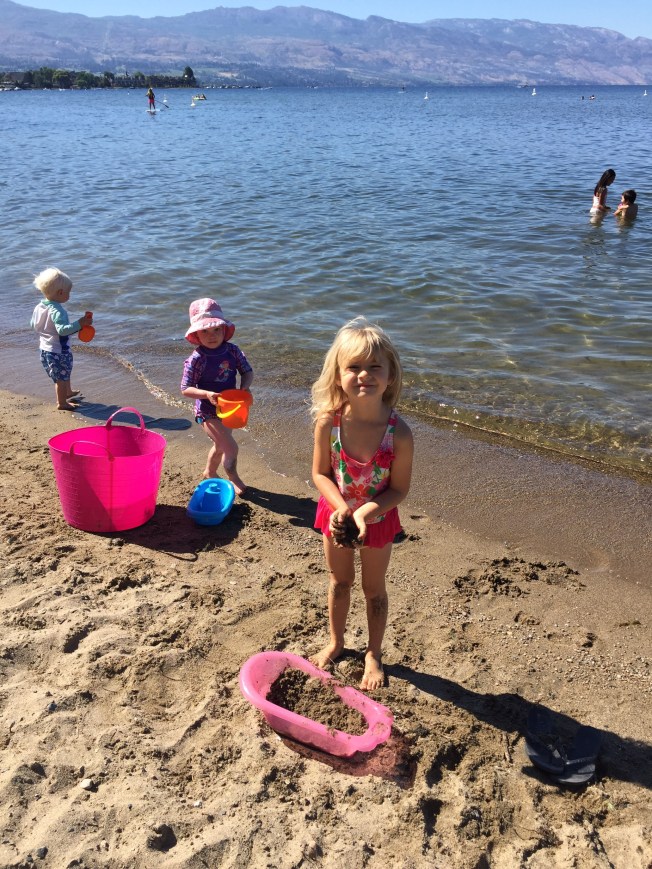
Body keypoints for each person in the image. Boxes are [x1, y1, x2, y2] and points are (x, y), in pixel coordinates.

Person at [310, 317, 414, 690]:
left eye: (374, 367)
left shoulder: (398, 433)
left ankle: (373, 653)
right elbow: (320, 474)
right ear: (338, 376)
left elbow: (398, 490)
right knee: (340, 582)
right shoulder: (329, 423)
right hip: (336, 516)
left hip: (378, 520)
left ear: (390, 375)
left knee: (374, 588)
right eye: (353, 367)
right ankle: (336, 641)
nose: (364, 375)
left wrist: (367, 512)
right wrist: (342, 508)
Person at [180, 298, 253, 495]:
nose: (211, 335)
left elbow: (247, 371)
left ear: (224, 329)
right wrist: (207, 394)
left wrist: (245, 387)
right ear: (196, 334)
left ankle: (209, 472)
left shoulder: (232, 351)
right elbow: (185, 388)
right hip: (207, 411)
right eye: (204, 331)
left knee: (220, 446)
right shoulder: (197, 359)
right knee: (231, 448)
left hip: (229, 409)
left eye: (216, 329)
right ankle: (233, 477)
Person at [30, 267, 93, 411]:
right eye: (68, 292)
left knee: (64, 373)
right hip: (58, 351)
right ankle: (62, 403)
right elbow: (62, 331)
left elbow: (33, 324)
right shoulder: (58, 311)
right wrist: (80, 324)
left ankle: (68, 392)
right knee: (61, 379)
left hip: (45, 349)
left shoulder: (39, 306)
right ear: (60, 293)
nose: (69, 295)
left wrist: (47, 330)